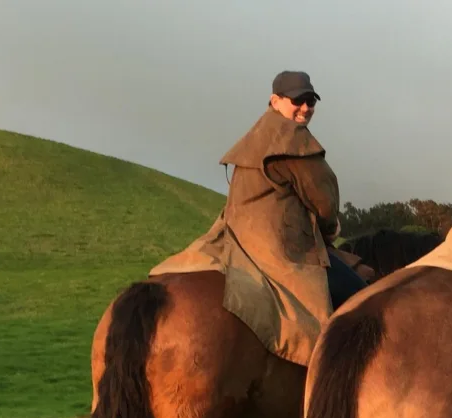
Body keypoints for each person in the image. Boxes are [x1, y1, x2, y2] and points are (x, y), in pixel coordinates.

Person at [147, 70, 367, 364]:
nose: (305, 108)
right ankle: (335, 378)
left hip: (238, 238)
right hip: (281, 248)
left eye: (311, 101)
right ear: (275, 100)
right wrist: (331, 228)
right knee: (362, 299)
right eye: (298, 100)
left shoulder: (254, 137)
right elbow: (325, 205)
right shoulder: (295, 142)